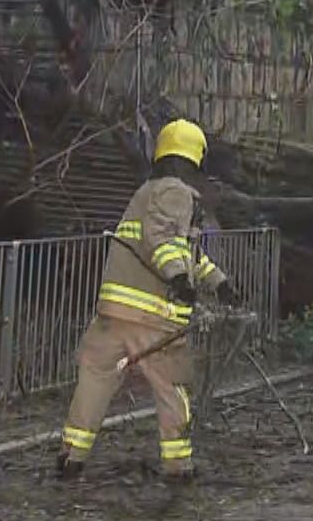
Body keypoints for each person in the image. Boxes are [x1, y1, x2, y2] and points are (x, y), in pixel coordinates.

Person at [57, 119, 234, 482]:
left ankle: (71, 457)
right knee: (173, 388)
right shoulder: (176, 192)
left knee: (94, 380)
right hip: (154, 316)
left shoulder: (145, 193)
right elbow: (163, 243)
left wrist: (219, 282)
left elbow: (186, 252)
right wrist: (180, 281)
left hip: (113, 312)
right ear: (194, 159)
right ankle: (179, 466)